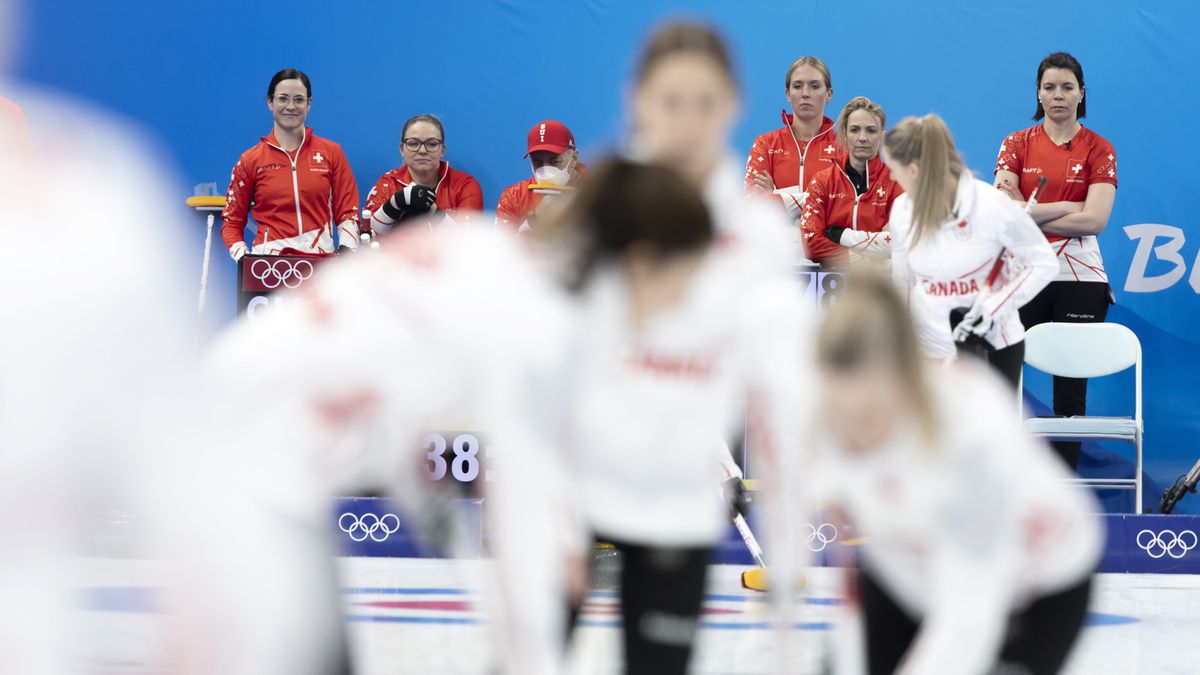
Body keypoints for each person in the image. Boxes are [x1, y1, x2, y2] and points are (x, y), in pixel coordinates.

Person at [549, 157, 807, 675]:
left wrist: (728, 475)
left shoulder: (710, 317)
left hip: (666, 520)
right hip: (579, 503)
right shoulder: (587, 311)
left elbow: (693, 406)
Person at [800, 270, 1101, 675]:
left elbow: (966, 622)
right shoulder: (821, 414)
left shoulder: (972, 435)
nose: (856, 437)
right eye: (840, 417)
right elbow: (850, 589)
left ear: (905, 380)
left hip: (1037, 580)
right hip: (912, 558)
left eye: (870, 416)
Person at [994, 52, 1118, 470]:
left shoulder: (1100, 148)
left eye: (1067, 87)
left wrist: (1033, 211)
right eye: (1049, 87)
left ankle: (1063, 483)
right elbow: (1007, 212)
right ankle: (1006, 478)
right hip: (1022, 273)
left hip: (1079, 278)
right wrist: (1070, 203)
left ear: (1082, 93)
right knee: (1003, 378)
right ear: (1039, 93)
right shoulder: (1015, 143)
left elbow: (1096, 220)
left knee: (1069, 389)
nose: (1058, 95)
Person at [885, 114, 1058, 389]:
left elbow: (1045, 263)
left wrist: (994, 307)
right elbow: (902, 282)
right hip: (930, 353)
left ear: (914, 169)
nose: (892, 176)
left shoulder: (990, 205)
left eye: (894, 169)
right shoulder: (901, 211)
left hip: (991, 346)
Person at [221, 68, 361, 260]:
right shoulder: (250, 160)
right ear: (270, 102)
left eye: (299, 99)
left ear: (309, 104)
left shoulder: (331, 153)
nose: (291, 106)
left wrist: (347, 248)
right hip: (269, 266)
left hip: (319, 263)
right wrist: (244, 259)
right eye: (283, 98)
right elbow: (231, 221)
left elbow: (348, 211)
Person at [799, 96, 903, 266]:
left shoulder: (896, 182)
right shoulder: (822, 182)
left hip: (881, 287)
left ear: (882, 136)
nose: (863, 137)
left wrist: (840, 236)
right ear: (845, 134)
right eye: (855, 130)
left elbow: (899, 242)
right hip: (833, 287)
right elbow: (810, 243)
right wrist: (858, 261)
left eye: (871, 130)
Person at [745, 56, 843, 224]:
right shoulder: (765, 144)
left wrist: (776, 197)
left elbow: (845, 205)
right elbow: (754, 207)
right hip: (778, 248)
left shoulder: (844, 146)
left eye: (814, 86)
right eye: (797, 86)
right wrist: (821, 197)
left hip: (826, 248)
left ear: (829, 94)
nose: (805, 93)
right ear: (788, 94)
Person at [364, 113, 483, 233]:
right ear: (402, 149)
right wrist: (396, 203)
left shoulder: (465, 185)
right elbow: (368, 235)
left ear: (442, 150)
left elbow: (469, 242)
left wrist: (434, 212)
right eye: (413, 143)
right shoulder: (387, 184)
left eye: (432, 144)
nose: (422, 151)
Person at [495, 119, 586, 233]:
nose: (546, 170)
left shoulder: (600, 191)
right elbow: (502, 249)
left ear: (574, 157)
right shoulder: (513, 198)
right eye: (537, 163)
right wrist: (534, 222)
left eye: (554, 162)